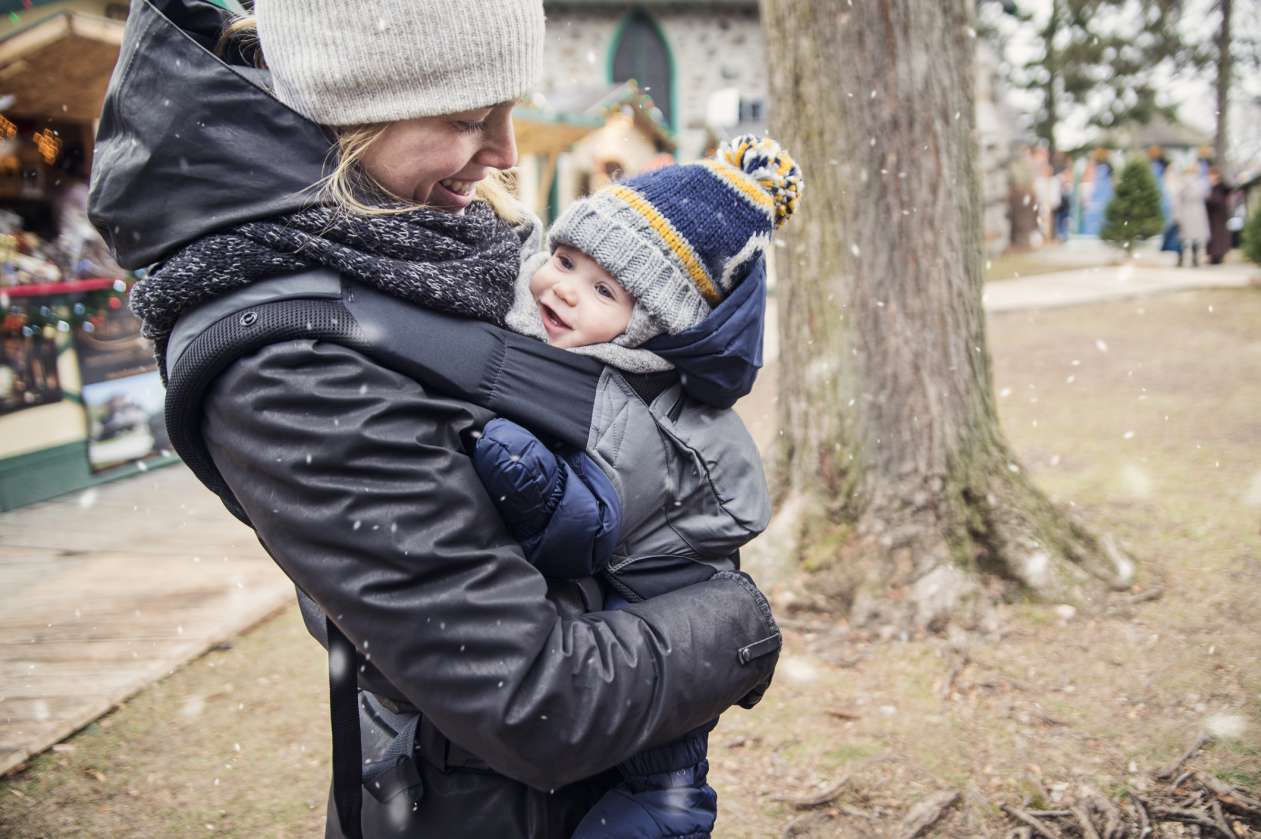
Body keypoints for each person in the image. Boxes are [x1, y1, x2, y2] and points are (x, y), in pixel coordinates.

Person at [87, 2, 780, 837]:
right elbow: (535, 700)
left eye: (508, 110)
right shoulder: (285, 365)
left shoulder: (410, 246)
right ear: (353, 108)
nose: (505, 153)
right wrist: (742, 620)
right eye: (465, 118)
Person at [471, 136, 801, 838]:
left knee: (663, 786)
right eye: (564, 261)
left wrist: (517, 465)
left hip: (661, 618)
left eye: (602, 290)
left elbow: (585, 527)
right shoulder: (544, 333)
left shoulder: (634, 400)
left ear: (646, 328)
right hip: (623, 637)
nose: (562, 287)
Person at [1173, 164, 1210, 268]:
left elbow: (1177, 200)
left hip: (1188, 212)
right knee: (1195, 239)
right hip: (1196, 212)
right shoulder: (1200, 183)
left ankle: (1184, 260)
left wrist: (1177, 215)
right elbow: (1206, 195)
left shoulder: (1183, 182)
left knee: (1186, 239)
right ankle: (1195, 260)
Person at [1205, 166, 1232, 265]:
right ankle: (1214, 256)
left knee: (1219, 235)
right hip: (1212, 214)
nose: (1210, 177)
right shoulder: (1211, 186)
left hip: (1219, 214)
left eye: (1212, 175)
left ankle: (1218, 256)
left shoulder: (1221, 186)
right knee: (1213, 236)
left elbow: (1218, 198)